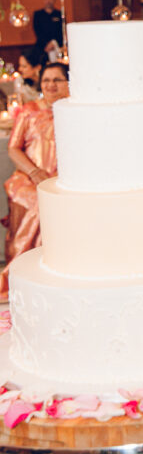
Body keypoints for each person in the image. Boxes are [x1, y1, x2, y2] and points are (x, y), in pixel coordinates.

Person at [1, 62, 70, 296]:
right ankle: (23, 274)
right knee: (40, 203)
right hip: (27, 178)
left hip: (64, 180)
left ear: (68, 83)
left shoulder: (75, 111)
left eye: (57, 80)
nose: (51, 85)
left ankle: (57, 273)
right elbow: (13, 149)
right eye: (46, 80)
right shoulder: (30, 110)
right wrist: (34, 172)